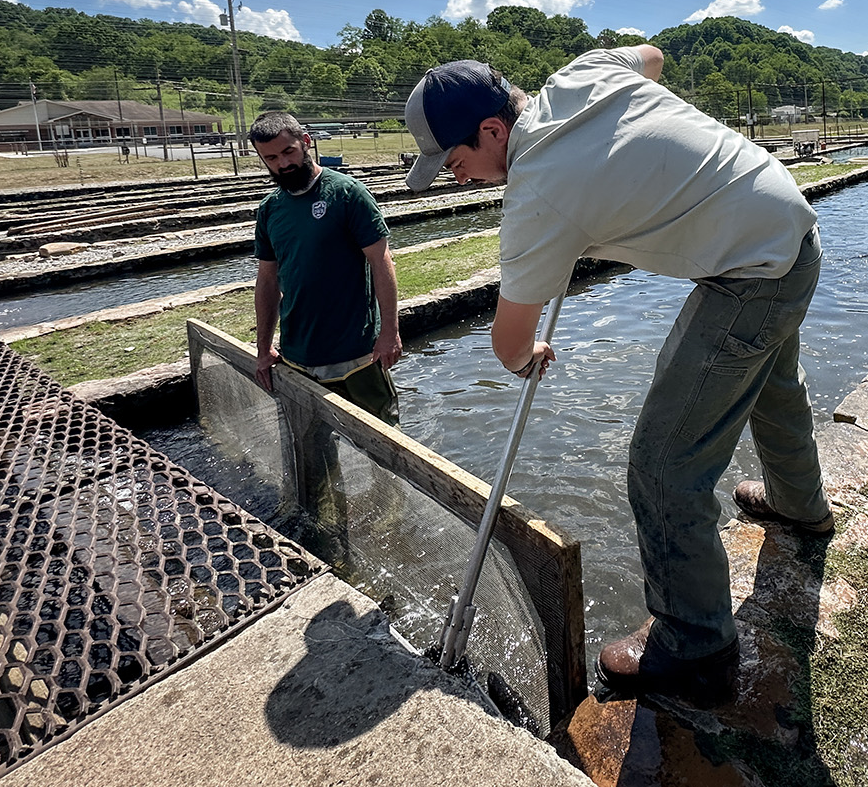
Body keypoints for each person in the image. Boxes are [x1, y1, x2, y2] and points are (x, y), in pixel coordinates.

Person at [403, 47, 832, 707]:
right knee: (772, 384)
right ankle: (800, 506)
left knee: (663, 464)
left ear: (493, 131)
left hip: (750, 272)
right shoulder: (580, 73)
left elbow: (510, 341)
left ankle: (697, 648)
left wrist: (527, 360)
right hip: (787, 230)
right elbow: (654, 59)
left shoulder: (537, 193)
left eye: (456, 164)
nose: (460, 180)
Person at [251, 111, 402, 424]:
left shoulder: (347, 194)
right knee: (311, 451)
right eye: (271, 158)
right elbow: (267, 281)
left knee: (384, 449)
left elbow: (381, 261)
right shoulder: (270, 210)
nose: (282, 164)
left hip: (357, 354)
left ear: (306, 142)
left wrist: (390, 331)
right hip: (298, 357)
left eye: (288, 152)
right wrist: (264, 348)